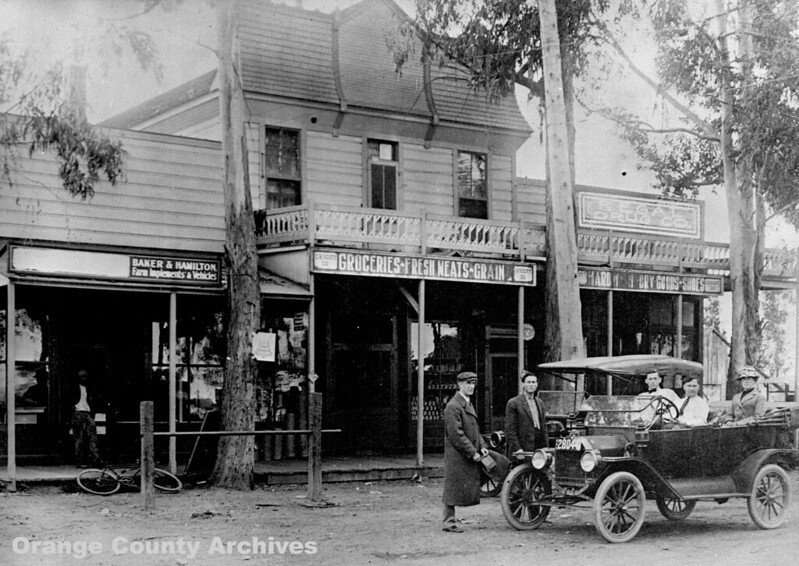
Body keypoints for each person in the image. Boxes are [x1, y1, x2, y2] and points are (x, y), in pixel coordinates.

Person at [441, 371, 488, 533]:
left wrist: (482, 447)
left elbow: (475, 429)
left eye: (473, 383)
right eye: (467, 383)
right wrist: (472, 452)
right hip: (457, 455)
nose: (471, 387)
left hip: (467, 452)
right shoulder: (453, 406)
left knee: (456, 486)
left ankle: (449, 521)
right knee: (451, 488)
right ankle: (448, 522)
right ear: (459, 384)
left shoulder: (466, 403)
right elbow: (456, 435)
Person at [505, 371, 549, 456]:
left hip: (538, 449)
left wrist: (545, 446)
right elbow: (510, 429)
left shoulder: (540, 403)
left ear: (537, 385)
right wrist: (518, 449)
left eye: (533, 382)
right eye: (528, 382)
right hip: (522, 450)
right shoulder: (514, 403)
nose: (531, 385)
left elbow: (544, 427)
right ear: (523, 385)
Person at [72, 369, 100, 467]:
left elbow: (94, 401)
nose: (83, 379)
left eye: (85, 377)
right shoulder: (74, 389)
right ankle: (79, 461)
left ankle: (95, 460)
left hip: (88, 413)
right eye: (81, 377)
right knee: (79, 439)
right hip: (78, 413)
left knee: (93, 437)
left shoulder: (90, 389)